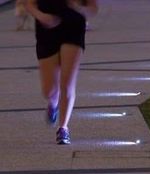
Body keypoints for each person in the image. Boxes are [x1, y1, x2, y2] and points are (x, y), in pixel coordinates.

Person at [26, 0, 98, 144]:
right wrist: (41, 16)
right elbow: (30, 4)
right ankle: (53, 103)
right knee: (49, 91)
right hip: (46, 29)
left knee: (67, 83)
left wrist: (78, 8)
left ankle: (63, 128)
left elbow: (93, 8)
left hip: (73, 27)